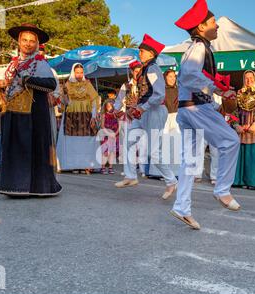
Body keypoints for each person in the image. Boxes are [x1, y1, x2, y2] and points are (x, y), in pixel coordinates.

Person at [170, 0, 241, 230]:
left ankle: (181, 207)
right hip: (197, 108)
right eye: (213, 22)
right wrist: (218, 88)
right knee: (231, 141)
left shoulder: (198, 47)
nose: (217, 26)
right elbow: (189, 75)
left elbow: (190, 77)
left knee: (190, 161)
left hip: (186, 109)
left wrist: (213, 89)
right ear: (201, 28)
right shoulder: (199, 47)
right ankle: (222, 190)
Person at [0, 23, 62, 196]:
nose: (28, 44)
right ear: (18, 42)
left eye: (32, 41)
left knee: (32, 147)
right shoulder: (13, 64)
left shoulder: (41, 63)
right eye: (24, 40)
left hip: (34, 114)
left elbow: (51, 84)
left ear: (37, 44)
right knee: (14, 147)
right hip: (13, 112)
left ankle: (34, 187)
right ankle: (13, 186)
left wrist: (29, 80)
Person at [114, 34, 178, 201]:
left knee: (154, 152)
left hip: (154, 111)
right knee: (128, 140)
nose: (139, 53)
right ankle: (130, 176)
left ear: (151, 54)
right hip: (144, 111)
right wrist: (137, 108)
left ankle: (171, 181)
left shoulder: (153, 69)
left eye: (142, 51)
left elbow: (159, 95)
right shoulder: (145, 69)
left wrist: (142, 108)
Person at [56, 63, 101, 174]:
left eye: (81, 72)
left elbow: (94, 99)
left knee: (86, 140)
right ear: (73, 72)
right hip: (72, 115)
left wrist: (94, 115)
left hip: (86, 115)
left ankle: (87, 164)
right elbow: (64, 103)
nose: (79, 75)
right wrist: (64, 96)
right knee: (72, 141)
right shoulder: (68, 84)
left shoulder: (88, 84)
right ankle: (73, 165)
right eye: (77, 72)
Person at [100, 99, 119, 174]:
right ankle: (103, 167)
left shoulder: (115, 115)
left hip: (114, 135)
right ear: (105, 107)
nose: (110, 108)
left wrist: (116, 133)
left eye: (111, 106)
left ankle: (110, 167)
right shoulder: (104, 115)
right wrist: (108, 133)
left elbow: (119, 125)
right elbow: (102, 126)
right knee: (105, 152)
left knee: (112, 152)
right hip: (106, 135)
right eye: (108, 106)